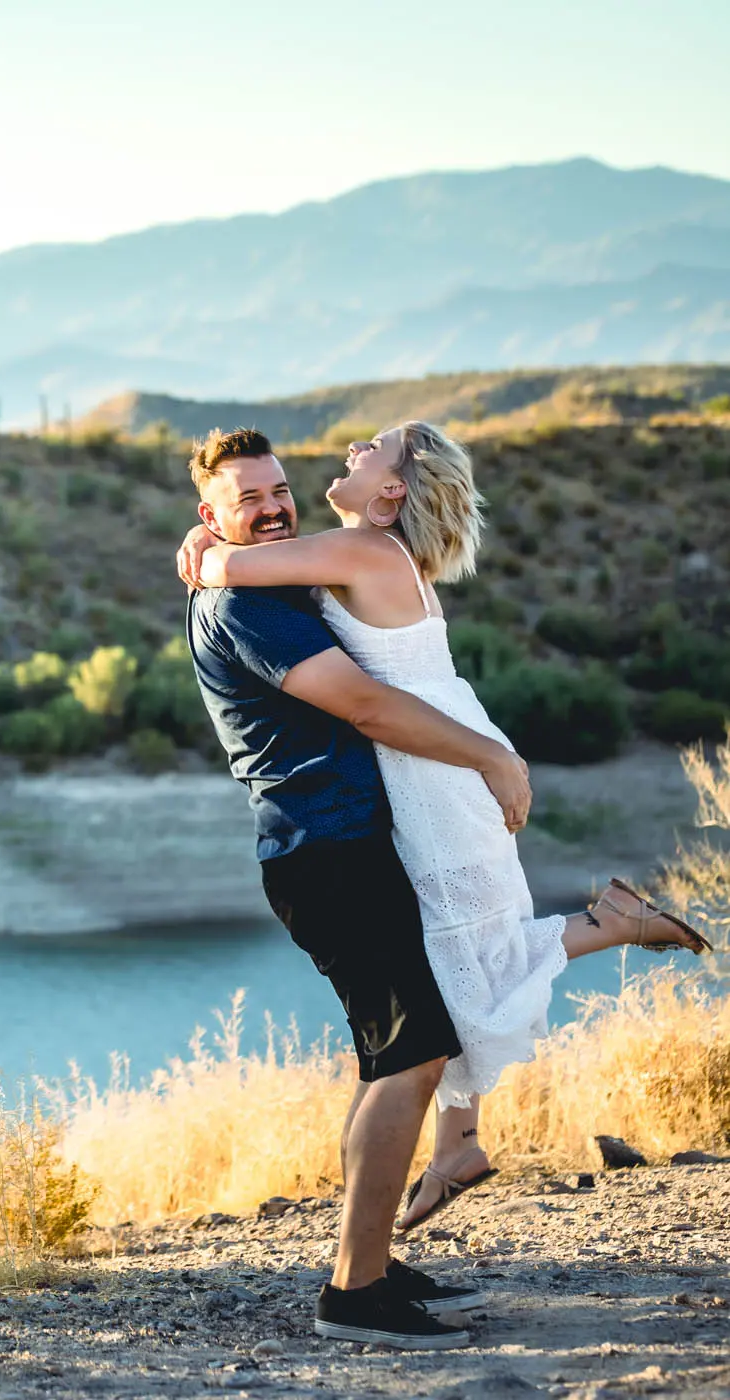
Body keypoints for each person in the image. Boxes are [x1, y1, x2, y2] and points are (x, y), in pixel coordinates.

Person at [176, 421, 708, 1235]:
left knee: (463, 952)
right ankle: (460, 1142)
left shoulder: (357, 551)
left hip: (435, 761)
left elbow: (228, 568)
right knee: (457, 951)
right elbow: (237, 566)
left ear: (393, 489)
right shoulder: (356, 552)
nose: (350, 453)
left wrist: (206, 543)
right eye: (256, 494)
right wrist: (209, 532)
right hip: (435, 755)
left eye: (370, 451)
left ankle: (603, 940)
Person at [178, 426, 530, 1349]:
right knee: (412, 1056)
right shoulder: (248, 608)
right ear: (211, 510)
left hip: (354, 844)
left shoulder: (273, 576)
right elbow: (368, 705)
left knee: (394, 1057)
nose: (272, 508)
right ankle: (354, 1294)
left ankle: (367, 1259)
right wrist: (493, 757)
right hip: (325, 851)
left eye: (277, 491)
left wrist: (210, 543)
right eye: (247, 499)